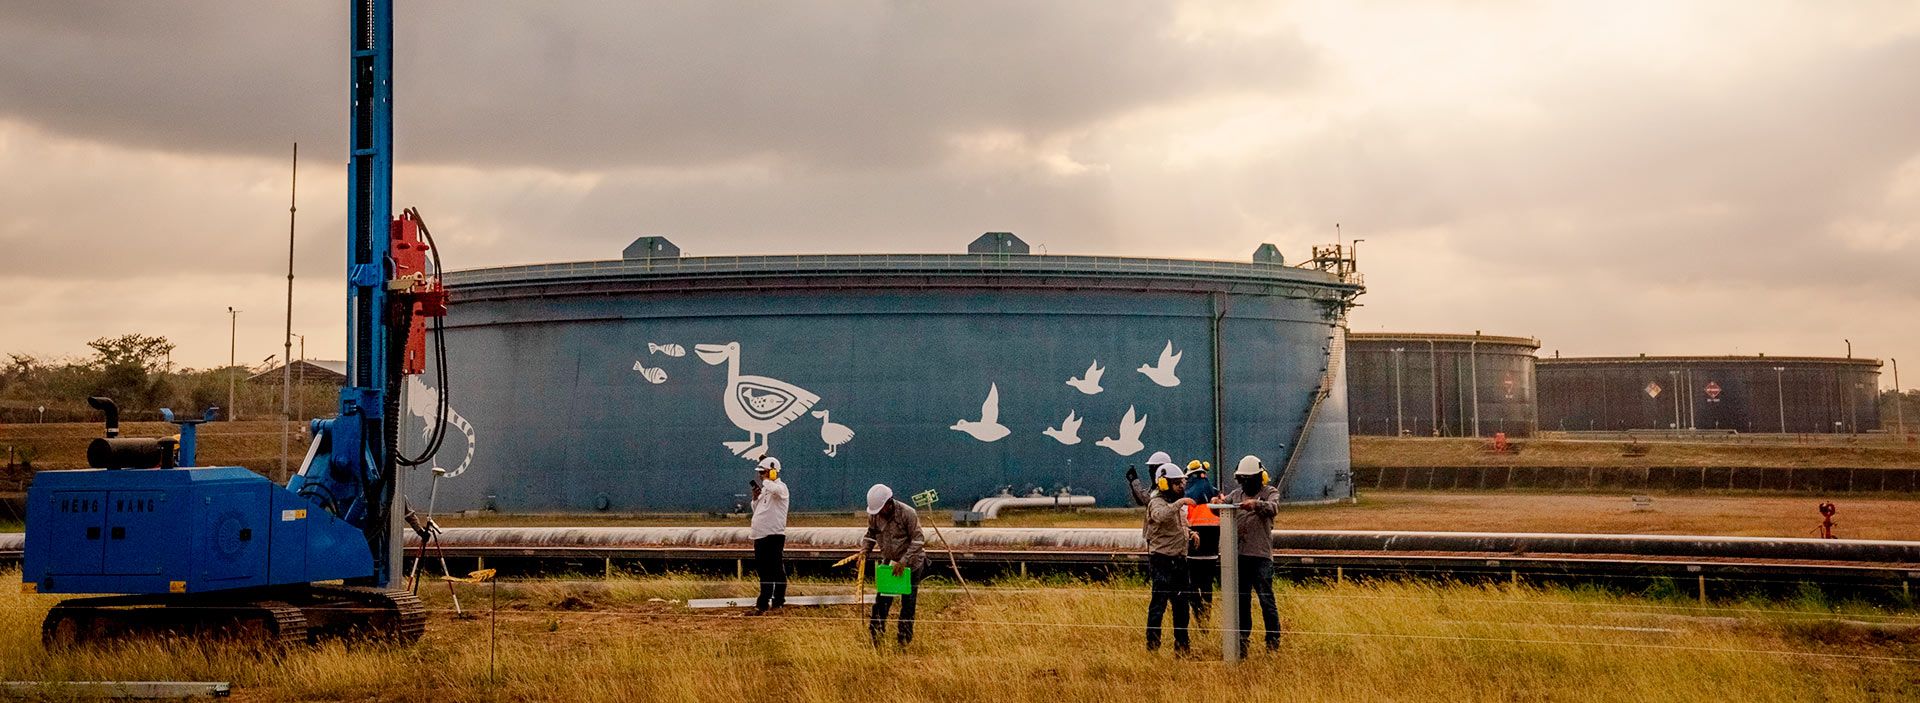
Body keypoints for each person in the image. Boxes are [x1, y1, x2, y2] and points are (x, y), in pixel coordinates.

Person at [1218, 454, 1283, 653]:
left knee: (1266, 600)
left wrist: (1256, 505)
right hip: (1240, 556)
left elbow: (1274, 508)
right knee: (1242, 602)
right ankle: (1242, 642)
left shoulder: (1269, 492)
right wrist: (1217, 502)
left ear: (1258, 477)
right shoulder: (1236, 495)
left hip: (1261, 557)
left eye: (1248, 479)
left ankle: (1272, 642)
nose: (1245, 483)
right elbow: (1221, 508)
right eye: (1242, 480)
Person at [1129, 461, 1196, 654]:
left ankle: (1182, 646)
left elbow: (1178, 524)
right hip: (1162, 561)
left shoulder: (1174, 503)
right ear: (1165, 484)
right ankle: (1153, 645)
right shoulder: (1156, 502)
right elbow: (1161, 516)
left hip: (1179, 560)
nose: (1182, 487)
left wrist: (1190, 534)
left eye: (1182, 483)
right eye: (1177, 484)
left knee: (1182, 607)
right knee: (1159, 604)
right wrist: (1180, 503)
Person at [861, 483, 928, 648]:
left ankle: (903, 640)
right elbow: (870, 534)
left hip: (911, 565)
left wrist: (904, 561)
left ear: (889, 503)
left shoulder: (908, 513)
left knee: (908, 603)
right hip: (890, 563)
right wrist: (864, 551)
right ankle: (876, 636)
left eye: (881, 509)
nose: (879, 513)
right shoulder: (875, 516)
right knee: (882, 601)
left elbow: (918, 539)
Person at [746, 456, 789, 615]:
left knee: (776, 569)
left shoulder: (780, 487)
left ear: (772, 472)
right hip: (760, 535)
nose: (760, 476)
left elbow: (777, 491)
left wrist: (767, 480)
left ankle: (778, 602)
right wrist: (755, 498)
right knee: (764, 570)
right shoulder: (766, 489)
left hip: (774, 535)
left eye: (763, 472)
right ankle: (763, 603)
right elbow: (757, 509)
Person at [1182, 460, 1221, 616]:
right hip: (1212, 550)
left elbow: (1182, 520)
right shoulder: (1217, 495)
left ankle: (1199, 616)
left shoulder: (1187, 497)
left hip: (1193, 550)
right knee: (1207, 586)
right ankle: (1206, 617)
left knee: (1192, 585)